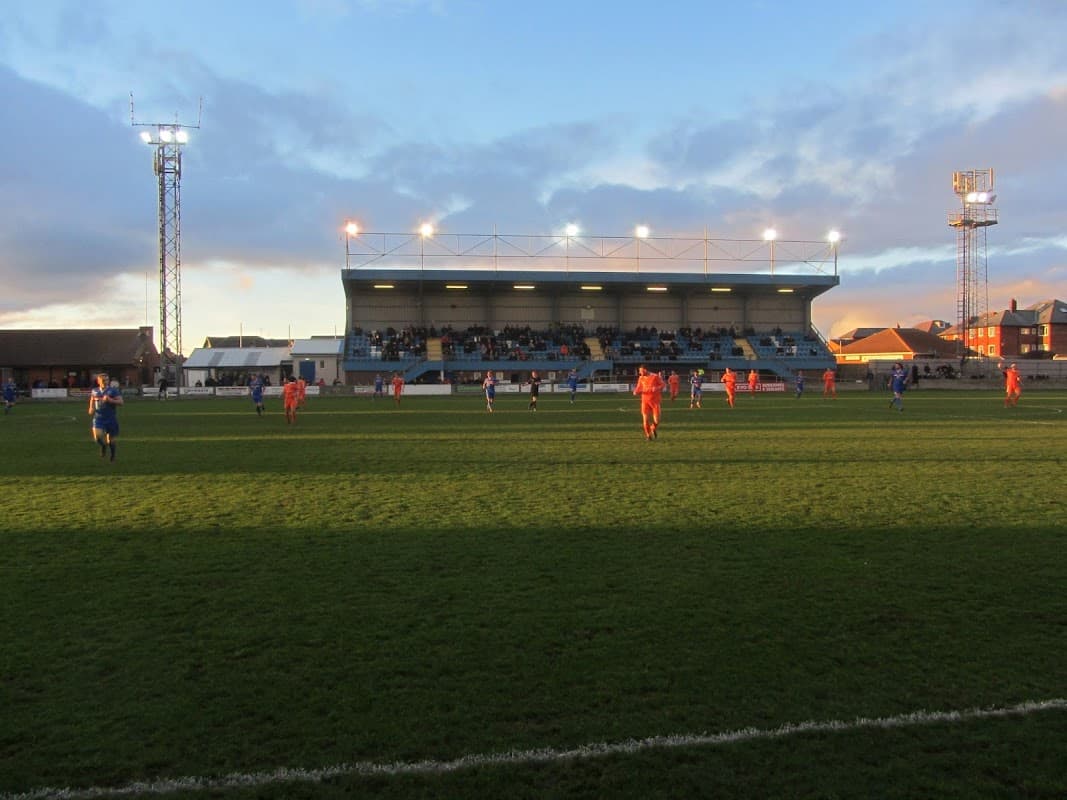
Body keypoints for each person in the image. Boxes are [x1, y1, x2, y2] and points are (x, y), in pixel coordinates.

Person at [88, 373, 123, 461]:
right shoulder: (95, 390)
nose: (105, 382)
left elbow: (121, 402)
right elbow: (92, 398)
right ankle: (103, 446)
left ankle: (112, 455)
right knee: (97, 437)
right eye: (103, 380)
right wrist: (91, 407)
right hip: (98, 418)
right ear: (98, 381)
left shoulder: (113, 391)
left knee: (111, 440)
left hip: (111, 418)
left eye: (107, 380)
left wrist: (110, 400)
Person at [632, 365, 665, 440]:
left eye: (641, 371)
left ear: (645, 370)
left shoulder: (655, 376)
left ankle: (653, 428)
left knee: (657, 420)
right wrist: (635, 391)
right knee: (645, 420)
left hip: (655, 401)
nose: (640, 372)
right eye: (639, 371)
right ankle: (648, 435)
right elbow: (639, 387)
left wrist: (657, 388)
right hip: (645, 401)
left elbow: (663, 385)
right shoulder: (641, 378)